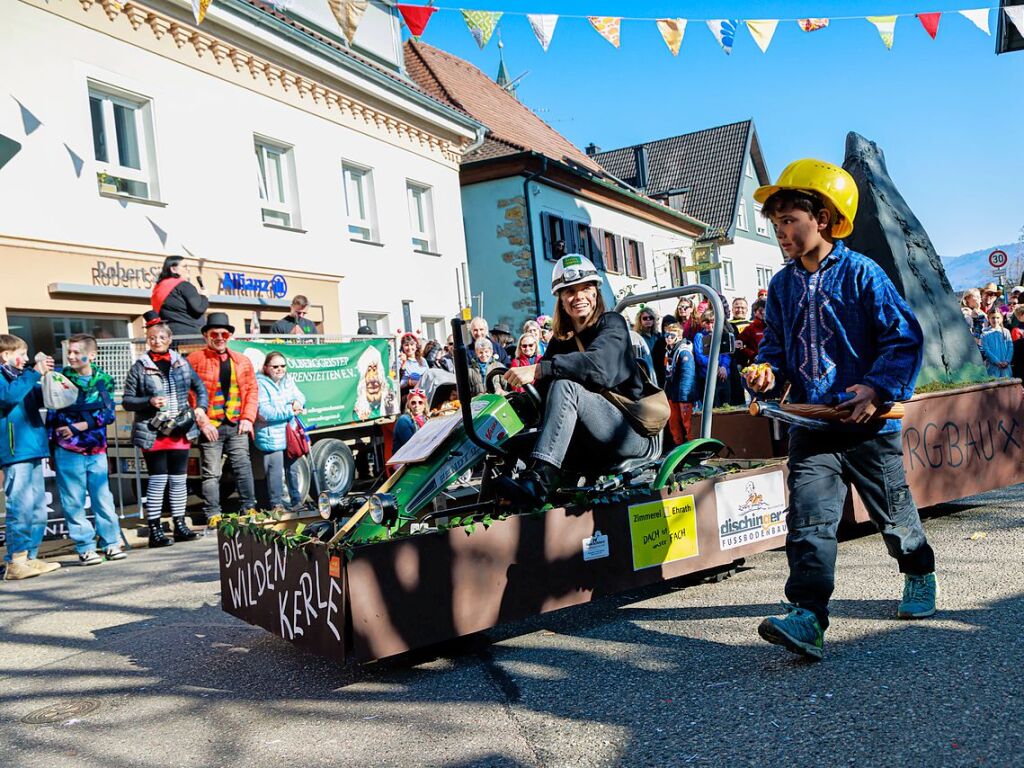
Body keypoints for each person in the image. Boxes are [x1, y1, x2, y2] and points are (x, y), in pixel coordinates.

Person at [747, 158, 936, 661]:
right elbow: (777, 348)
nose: (781, 232)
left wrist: (876, 390)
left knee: (893, 517)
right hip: (812, 425)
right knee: (809, 524)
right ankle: (808, 616)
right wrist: (767, 371)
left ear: (824, 219)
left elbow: (903, 339)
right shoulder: (783, 285)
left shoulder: (863, 273)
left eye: (790, 221)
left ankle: (918, 570)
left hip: (868, 427)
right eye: (777, 223)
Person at [498, 254, 658, 504]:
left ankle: (540, 483)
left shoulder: (612, 324)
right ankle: (500, 495)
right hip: (585, 439)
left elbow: (600, 366)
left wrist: (539, 369)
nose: (578, 296)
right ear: (561, 299)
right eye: (569, 291)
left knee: (566, 386)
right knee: (517, 424)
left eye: (585, 288)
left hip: (627, 433)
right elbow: (540, 394)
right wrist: (501, 409)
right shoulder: (560, 342)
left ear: (596, 292)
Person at [123, 313, 209, 547]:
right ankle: (155, 530)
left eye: (161, 337)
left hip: (179, 429)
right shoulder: (140, 367)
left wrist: (201, 408)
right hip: (153, 431)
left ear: (170, 339)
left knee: (179, 480)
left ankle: (180, 525)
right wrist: (148, 402)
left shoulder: (181, 362)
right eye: (152, 337)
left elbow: (200, 388)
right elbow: (127, 401)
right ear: (147, 340)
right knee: (158, 480)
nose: (157, 340)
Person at [49, 334, 124, 565]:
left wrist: (78, 425)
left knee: (104, 499)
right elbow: (53, 415)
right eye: (68, 352)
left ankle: (111, 543)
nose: (71, 356)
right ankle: (85, 547)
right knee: (73, 501)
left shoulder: (104, 379)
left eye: (76, 352)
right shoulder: (59, 378)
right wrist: (52, 449)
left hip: (97, 450)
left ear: (91, 355)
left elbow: (108, 414)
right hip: (68, 450)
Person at [187, 312, 258, 519]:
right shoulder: (195, 360)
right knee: (211, 472)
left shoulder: (242, 361)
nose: (220, 338)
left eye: (224, 334)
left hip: (237, 423)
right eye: (215, 334)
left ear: (229, 336)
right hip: (211, 425)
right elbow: (189, 393)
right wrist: (202, 422)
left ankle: (248, 508)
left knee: (243, 467)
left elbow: (252, 390)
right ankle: (213, 514)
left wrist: (247, 417)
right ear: (206, 336)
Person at [1, 336, 60, 580]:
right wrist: (34, 373)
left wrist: (47, 379)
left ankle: (30, 556)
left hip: (34, 447)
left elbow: (44, 399)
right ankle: (15, 561)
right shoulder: (7, 378)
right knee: (21, 506)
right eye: (21, 354)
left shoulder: (22, 376)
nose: (26, 359)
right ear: (5, 355)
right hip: (16, 452)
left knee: (38, 507)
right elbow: (8, 398)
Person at [254, 351, 307, 512]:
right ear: (266, 367)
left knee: (293, 470)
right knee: (275, 473)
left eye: (283, 366)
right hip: (270, 434)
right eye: (275, 366)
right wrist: (290, 409)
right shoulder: (260, 383)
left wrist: (298, 402)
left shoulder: (287, 379)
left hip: (288, 433)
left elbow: (301, 396)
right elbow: (264, 412)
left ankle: (297, 502)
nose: (280, 369)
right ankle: (276, 505)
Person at [151, 256, 209, 338]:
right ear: (173, 269)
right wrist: (204, 296)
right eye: (184, 266)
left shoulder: (158, 289)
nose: (188, 269)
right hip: (192, 336)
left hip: (170, 336)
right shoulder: (184, 285)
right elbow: (199, 309)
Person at [663, 323, 696, 446]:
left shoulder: (684, 351)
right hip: (672, 393)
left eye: (672, 335)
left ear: (679, 336)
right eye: (666, 335)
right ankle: (678, 446)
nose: (668, 338)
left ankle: (693, 448)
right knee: (673, 423)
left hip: (683, 394)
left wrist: (685, 395)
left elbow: (688, 374)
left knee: (688, 423)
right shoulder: (668, 352)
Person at [693, 310, 731, 407]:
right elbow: (700, 357)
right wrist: (716, 366)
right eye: (707, 322)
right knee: (713, 405)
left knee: (726, 404)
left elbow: (726, 354)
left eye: (712, 322)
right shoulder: (699, 336)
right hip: (707, 376)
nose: (709, 325)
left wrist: (724, 367)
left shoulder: (722, 335)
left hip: (722, 376)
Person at [392, 388, 428, 454]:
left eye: (420, 402)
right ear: (409, 405)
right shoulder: (404, 420)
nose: (417, 405)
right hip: (405, 460)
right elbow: (410, 445)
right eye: (413, 402)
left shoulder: (427, 419)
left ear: (424, 405)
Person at [981, 308, 1013, 379]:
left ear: (1002, 318)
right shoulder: (985, 333)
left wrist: (1007, 361)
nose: (995, 320)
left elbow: (1010, 347)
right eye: (993, 318)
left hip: (1006, 366)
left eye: (998, 317)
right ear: (988, 318)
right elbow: (986, 350)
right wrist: (997, 362)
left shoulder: (1006, 331)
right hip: (993, 366)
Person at [398, 332, 428, 399]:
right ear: (402, 347)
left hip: (423, 392)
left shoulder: (422, 360)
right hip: (406, 394)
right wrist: (409, 382)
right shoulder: (399, 361)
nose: (409, 347)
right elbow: (396, 381)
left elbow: (428, 377)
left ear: (416, 346)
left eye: (412, 344)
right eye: (406, 345)